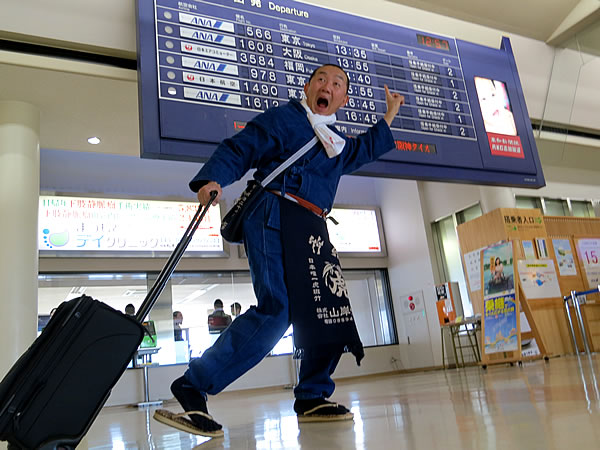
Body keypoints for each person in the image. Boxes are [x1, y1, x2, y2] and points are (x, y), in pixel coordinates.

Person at [154, 63, 405, 437]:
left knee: (327, 309)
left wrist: (389, 115)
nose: (327, 86)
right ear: (307, 88)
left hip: (312, 224)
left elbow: (364, 148)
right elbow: (242, 146)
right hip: (273, 211)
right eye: (320, 79)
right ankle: (194, 383)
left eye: (337, 83)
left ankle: (313, 394)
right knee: (279, 309)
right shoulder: (286, 119)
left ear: (343, 99)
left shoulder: (335, 141)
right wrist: (214, 178)